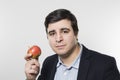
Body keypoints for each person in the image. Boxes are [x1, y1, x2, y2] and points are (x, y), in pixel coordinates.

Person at [24, 9, 120, 80]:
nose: (58, 39)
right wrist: (30, 79)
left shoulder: (105, 64)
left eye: (65, 31)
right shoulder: (48, 63)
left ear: (76, 33)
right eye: (52, 33)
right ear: (47, 37)